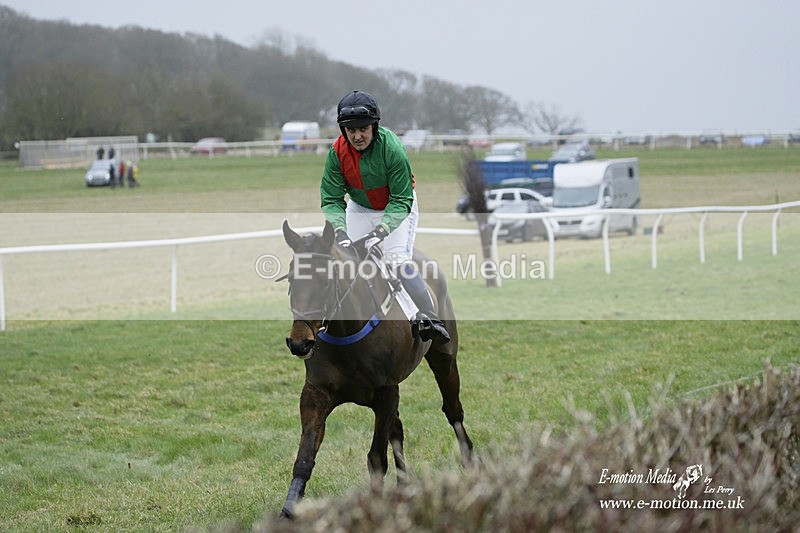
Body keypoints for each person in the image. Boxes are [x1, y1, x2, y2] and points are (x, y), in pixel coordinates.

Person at [320, 90, 450, 344]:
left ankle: (429, 318)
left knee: (395, 260)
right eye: (350, 130)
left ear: (374, 126)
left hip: (397, 206)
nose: (357, 135)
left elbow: (401, 200)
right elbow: (332, 199)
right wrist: (340, 231)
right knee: (344, 259)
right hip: (360, 207)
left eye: (363, 129)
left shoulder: (393, 149)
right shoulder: (336, 154)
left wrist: (382, 231)